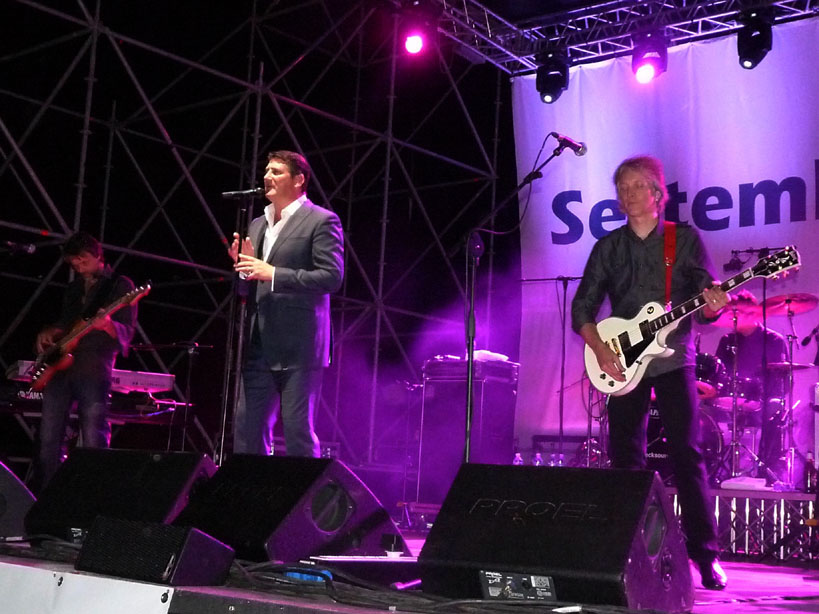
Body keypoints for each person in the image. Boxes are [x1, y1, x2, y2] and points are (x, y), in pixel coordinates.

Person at [571, 155, 729, 590]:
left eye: (637, 185)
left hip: (673, 359)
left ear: (658, 195)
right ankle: (630, 552)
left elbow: (707, 300)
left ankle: (706, 556)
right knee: (626, 459)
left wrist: (714, 306)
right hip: (622, 362)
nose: (628, 194)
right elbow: (582, 307)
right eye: (622, 188)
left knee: (687, 455)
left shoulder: (684, 239)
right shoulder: (608, 247)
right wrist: (600, 349)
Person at [229, 150, 344, 458]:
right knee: (247, 430)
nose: (267, 176)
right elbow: (247, 289)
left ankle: (303, 489)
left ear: (298, 180)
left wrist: (274, 274)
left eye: (276, 171)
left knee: (297, 433)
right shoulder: (257, 224)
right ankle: (252, 487)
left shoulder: (321, 220)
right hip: (259, 344)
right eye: (267, 170)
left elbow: (331, 277)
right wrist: (244, 269)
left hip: (299, 346)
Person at [33, 232, 136, 493]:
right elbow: (66, 324)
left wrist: (108, 325)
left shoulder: (119, 285)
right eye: (74, 263)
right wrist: (50, 331)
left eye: (83, 260)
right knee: (48, 438)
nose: (78, 267)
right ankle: (49, 496)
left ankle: (94, 497)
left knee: (93, 434)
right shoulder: (74, 288)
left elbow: (127, 330)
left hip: (94, 364)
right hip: (61, 366)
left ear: (98, 255)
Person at [713, 290, 787, 480]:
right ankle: (715, 468)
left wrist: (762, 392)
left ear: (752, 313)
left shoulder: (774, 340)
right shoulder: (727, 341)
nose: (733, 317)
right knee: (704, 411)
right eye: (731, 312)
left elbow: (783, 380)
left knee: (774, 408)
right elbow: (718, 375)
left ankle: (766, 470)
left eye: (738, 312)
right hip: (731, 400)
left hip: (764, 400)